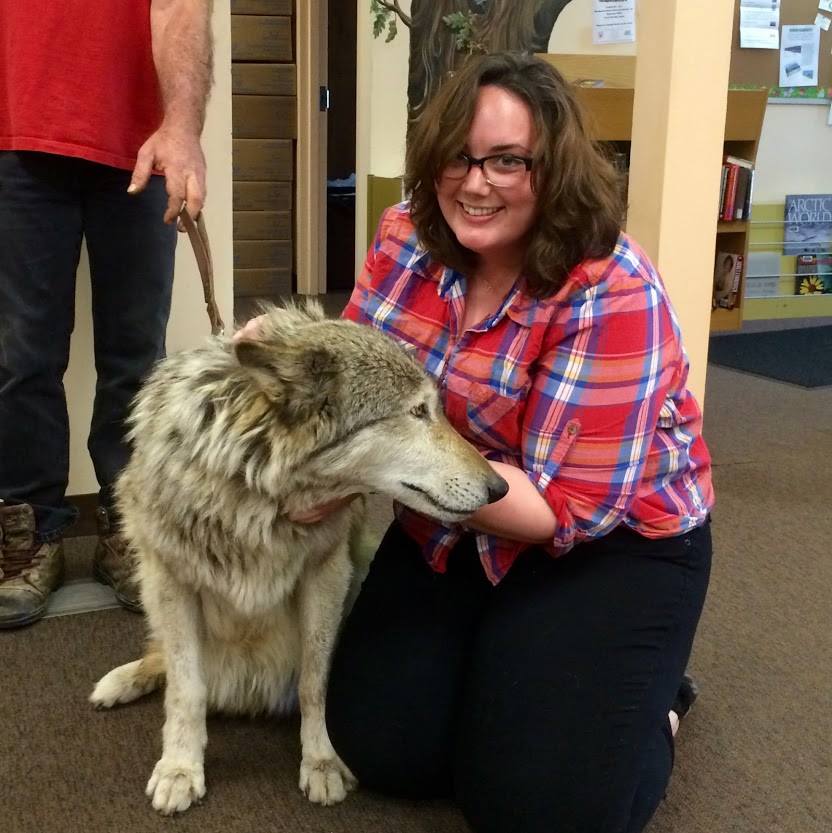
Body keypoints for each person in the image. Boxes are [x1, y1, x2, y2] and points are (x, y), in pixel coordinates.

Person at [237, 51, 714, 833]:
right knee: (382, 748)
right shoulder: (405, 238)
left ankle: (653, 709)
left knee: (537, 809)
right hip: (448, 520)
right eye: (459, 155)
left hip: (606, 545)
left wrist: (372, 472)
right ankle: (514, 677)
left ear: (551, 168)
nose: (475, 181)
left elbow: (561, 509)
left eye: (506, 160)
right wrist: (281, 361)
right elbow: (359, 379)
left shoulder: (610, 288)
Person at [0, 0, 213, 628]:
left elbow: (182, 7)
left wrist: (182, 126)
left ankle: (129, 522)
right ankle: (28, 529)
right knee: (21, 355)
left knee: (137, 353)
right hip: (14, 139)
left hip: (142, 145)